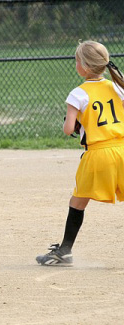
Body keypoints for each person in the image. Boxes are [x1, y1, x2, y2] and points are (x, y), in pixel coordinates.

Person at [36, 41, 124, 266]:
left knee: (78, 202)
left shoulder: (78, 93)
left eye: (77, 60)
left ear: (83, 66)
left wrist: (73, 123)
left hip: (98, 154)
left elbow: (68, 129)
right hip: (122, 150)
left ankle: (64, 251)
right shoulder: (117, 86)